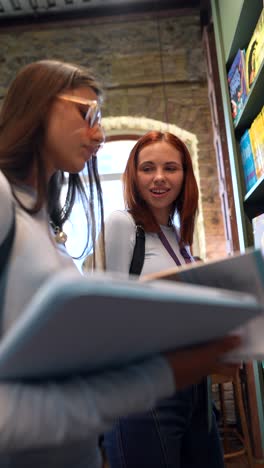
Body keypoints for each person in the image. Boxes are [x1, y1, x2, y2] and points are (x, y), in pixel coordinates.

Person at [0, 60, 240, 468]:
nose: (99, 133)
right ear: (38, 104)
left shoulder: (41, 223)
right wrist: (161, 372)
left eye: (101, 118)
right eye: (87, 113)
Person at [100, 131, 228, 468]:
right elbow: (110, 314)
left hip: (196, 389)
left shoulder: (178, 237)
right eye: (148, 168)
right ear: (134, 175)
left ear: (185, 175)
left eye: (171, 168)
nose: (159, 177)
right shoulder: (122, 224)